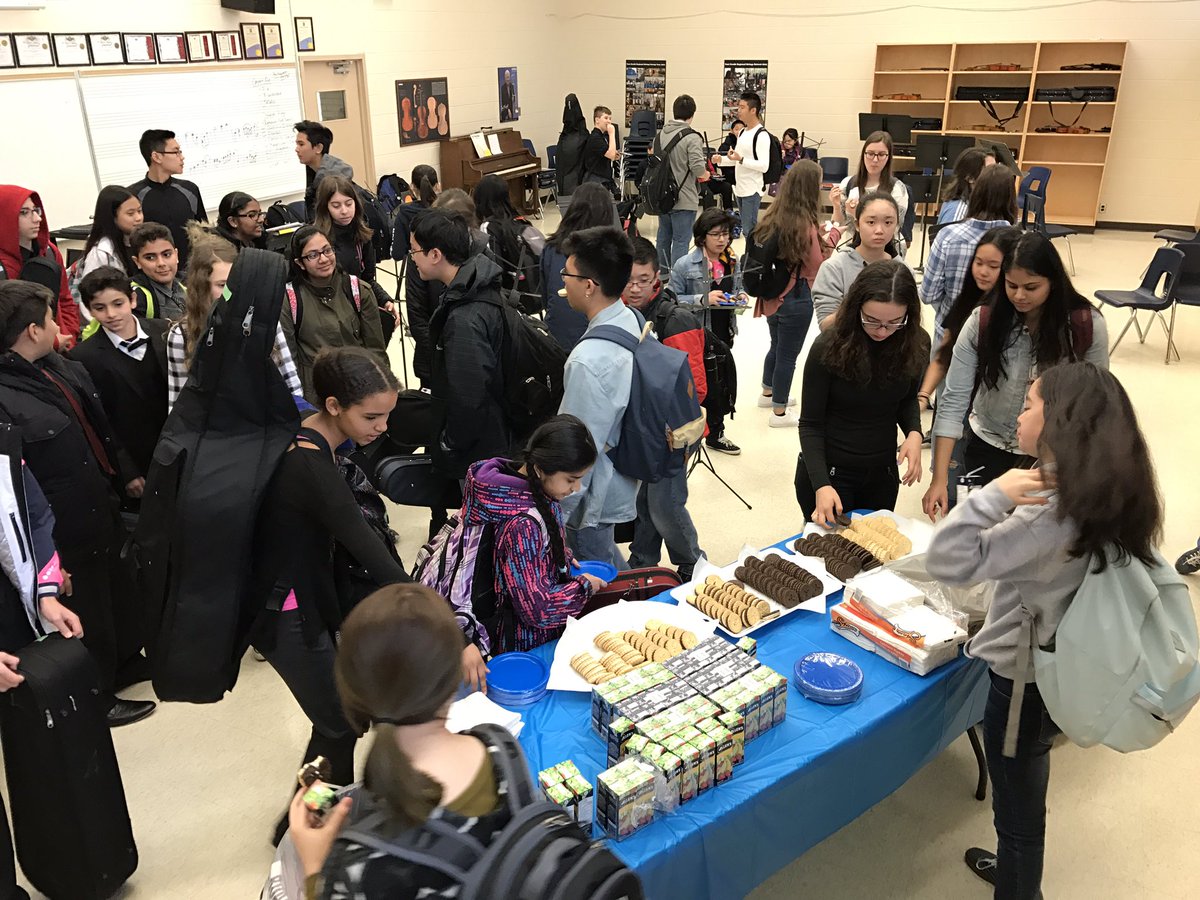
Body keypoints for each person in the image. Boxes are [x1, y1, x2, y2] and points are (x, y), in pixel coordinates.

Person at [927, 361, 1164, 899]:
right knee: (1027, 778)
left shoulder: (1045, 514)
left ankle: (1018, 889)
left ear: (1059, 423)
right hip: (1069, 662)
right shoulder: (1112, 487)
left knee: (1017, 803)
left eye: (1029, 404)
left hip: (1024, 679)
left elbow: (948, 559)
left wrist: (993, 496)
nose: (1018, 413)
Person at [284, 584, 535, 898]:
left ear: (351, 698)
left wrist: (316, 870)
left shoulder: (353, 867)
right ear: (451, 681)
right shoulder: (501, 746)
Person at [250, 346, 406, 846]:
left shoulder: (308, 434)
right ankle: (301, 825)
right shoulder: (310, 464)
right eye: (372, 417)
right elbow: (362, 541)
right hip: (286, 612)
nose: (381, 428)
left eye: (387, 416)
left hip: (298, 599)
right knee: (340, 722)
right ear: (334, 405)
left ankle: (312, 816)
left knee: (339, 718)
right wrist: (424, 607)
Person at [0, 280, 155, 727]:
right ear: (32, 330)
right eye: (50, 319)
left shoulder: (54, 367)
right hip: (61, 519)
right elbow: (16, 487)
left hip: (96, 498)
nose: (59, 326)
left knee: (114, 591)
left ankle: (126, 660)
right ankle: (97, 692)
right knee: (84, 605)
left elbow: (97, 425)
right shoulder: (6, 394)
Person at [922, 232, 1109, 522]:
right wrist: (939, 479)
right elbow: (953, 401)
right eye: (1011, 286)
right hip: (986, 444)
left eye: (1031, 287)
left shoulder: (1086, 325)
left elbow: (1095, 404)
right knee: (979, 538)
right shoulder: (982, 321)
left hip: (1050, 456)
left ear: (1053, 282)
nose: (1019, 296)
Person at [0, 448, 83, 900]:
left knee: (33, 751)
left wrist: (45, 593)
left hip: (13, 626)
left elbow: (33, 516)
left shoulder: (4, 449)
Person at [796, 260, 927, 525]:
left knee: (873, 557)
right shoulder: (828, 346)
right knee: (830, 556)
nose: (882, 331)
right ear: (856, 308)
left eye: (894, 322)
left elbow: (906, 399)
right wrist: (821, 484)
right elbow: (810, 424)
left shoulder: (916, 342)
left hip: (882, 473)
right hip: (830, 472)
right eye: (872, 320)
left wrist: (914, 432)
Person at [466, 415, 606, 654]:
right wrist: (584, 587)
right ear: (541, 468)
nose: (576, 489)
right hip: (526, 641)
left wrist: (557, 553)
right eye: (571, 479)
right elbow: (537, 610)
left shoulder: (522, 488)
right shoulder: (523, 524)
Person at [623, 239, 706, 580]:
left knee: (665, 504)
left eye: (643, 279)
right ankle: (641, 562)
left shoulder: (675, 319)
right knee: (645, 503)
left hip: (674, 431)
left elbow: (696, 388)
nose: (635, 288)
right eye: (628, 280)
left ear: (657, 276)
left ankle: (694, 565)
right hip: (643, 429)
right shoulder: (625, 315)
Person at [557, 225, 638, 569]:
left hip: (595, 492)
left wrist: (558, 512)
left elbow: (579, 449)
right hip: (626, 468)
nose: (563, 282)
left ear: (589, 286)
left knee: (599, 579)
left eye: (567, 274)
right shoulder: (630, 317)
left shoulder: (588, 360)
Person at [408, 209, 509, 481]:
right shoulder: (477, 285)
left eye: (414, 251)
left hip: (482, 453)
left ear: (435, 254)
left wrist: (449, 444)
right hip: (495, 436)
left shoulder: (465, 316)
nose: (412, 259)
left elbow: (469, 397)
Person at [168, 223, 301, 410]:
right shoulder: (181, 335)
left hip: (267, 423)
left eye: (235, 282)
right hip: (217, 430)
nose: (231, 291)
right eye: (222, 285)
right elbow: (179, 406)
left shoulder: (265, 319)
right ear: (202, 288)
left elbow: (291, 383)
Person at [746, 160, 832, 428]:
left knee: (776, 345)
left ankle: (768, 391)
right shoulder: (804, 225)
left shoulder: (772, 216)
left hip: (772, 295)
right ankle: (779, 412)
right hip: (796, 296)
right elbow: (817, 264)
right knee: (788, 355)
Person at [71, 267, 168, 486]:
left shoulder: (165, 332)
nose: (111, 314)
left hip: (175, 448)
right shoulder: (82, 357)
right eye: (100, 307)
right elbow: (97, 418)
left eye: (118, 304)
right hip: (135, 460)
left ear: (132, 299)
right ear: (89, 310)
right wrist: (126, 470)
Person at [280, 225, 389, 406]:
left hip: (359, 390)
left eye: (327, 250)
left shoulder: (357, 290)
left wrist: (380, 393)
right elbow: (289, 361)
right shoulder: (289, 299)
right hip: (316, 397)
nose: (323, 259)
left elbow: (376, 351)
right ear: (300, 263)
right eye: (313, 255)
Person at [669, 207, 744, 455]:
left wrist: (740, 298)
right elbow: (671, 300)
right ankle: (692, 430)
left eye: (726, 234)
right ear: (702, 236)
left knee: (721, 382)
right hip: (698, 333)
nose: (722, 239)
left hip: (724, 330)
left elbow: (738, 289)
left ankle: (716, 432)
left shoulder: (732, 260)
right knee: (700, 384)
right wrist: (703, 299)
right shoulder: (684, 264)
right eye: (716, 234)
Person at [920, 165, 1019, 343]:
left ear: (975, 194)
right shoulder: (1021, 242)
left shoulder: (947, 236)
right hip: (1001, 339)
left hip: (950, 336)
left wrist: (950, 309)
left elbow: (928, 294)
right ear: (1011, 200)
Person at [313, 175, 400, 340]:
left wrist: (385, 300)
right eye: (336, 205)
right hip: (329, 316)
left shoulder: (362, 235)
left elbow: (367, 279)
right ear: (326, 208)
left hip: (357, 308)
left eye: (348, 203)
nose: (344, 211)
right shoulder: (317, 240)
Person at [0, 185, 80, 347]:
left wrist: (69, 335)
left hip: (61, 345)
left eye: (36, 210)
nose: (37, 218)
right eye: (24, 213)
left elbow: (65, 300)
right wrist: (52, 342)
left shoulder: (49, 251)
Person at [541, 182, 619, 350]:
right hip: (596, 339)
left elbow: (546, 298)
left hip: (556, 339)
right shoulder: (611, 252)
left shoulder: (550, 248)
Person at [813, 191, 904, 330]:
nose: (879, 230)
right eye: (871, 222)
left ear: (896, 225)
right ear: (857, 224)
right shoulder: (834, 268)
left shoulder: (903, 270)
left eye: (888, 222)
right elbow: (826, 326)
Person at [127, 129, 207, 271]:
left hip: (191, 273)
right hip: (154, 274)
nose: (182, 157)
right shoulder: (133, 195)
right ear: (156, 157)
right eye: (176, 152)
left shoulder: (190, 189)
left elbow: (204, 233)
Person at [473, 173, 547, 307]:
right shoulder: (522, 221)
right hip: (540, 295)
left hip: (515, 301)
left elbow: (492, 271)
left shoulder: (489, 227)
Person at [655, 94, 710, 272]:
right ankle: (677, 279)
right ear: (692, 114)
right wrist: (706, 174)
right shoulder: (692, 137)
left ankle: (662, 274)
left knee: (663, 235)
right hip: (683, 197)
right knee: (681, 239)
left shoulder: (661, 134)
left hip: (662, 195)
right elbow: (697, 167)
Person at [74, 186, 144, 322]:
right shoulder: (101, 252)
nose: (138, 218)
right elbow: (90, 296)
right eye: (130, 214)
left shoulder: (137, 241)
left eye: (140, 211)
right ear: (112, 217)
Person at [829, 131, 909, 250]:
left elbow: (894, 227)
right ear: (863, 155)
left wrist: (857, 215)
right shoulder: (848, 184)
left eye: (881, 154)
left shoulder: (897, 188)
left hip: (885, 251)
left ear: (888, 157)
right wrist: (836, 206)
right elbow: (837, 225)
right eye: (870, 154)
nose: (875, 160)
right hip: (853, 250)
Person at [710, 92, 770, 237]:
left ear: (753, 110)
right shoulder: (742, 132)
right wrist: (721, 160)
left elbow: (764, 166)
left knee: (750, 230)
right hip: (740, 187)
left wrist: (741, 159)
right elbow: (735, 158)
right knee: (746, 229)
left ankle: (751, 259)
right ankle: (748, 258)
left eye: (742, 107)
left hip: (752, 188)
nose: (738, 110)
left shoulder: (761, 135)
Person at [295, 120, 354, 222]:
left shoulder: (332, 180)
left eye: (301, 144)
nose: (296, 149)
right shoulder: (313, 170)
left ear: (318, 148)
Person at [126, 222, 187, 323]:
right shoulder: (136, 297)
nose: (161, 263)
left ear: (176, 255)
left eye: (167, 254)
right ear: (137, 262)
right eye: (150, 258)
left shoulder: (189, 283)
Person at [937, 147, 996, 225]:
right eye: (989, 170)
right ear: (970, 178)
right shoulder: (957, 211)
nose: (996, 174)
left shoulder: (979, 203)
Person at [582, 105, 620, 196]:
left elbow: (609, 154)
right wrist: (612, 133)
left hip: (602, 179)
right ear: (597, 120)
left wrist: (614, 154)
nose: (609, 121)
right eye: (606, 118)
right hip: (595, 181)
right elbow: (610, 155)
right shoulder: (595, 138)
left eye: (610, 118)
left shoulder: (601, 137)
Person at [768, 128, 803, 197]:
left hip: (795, 178)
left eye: (789, 141)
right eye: (785, 141)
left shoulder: (801, 151)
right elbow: (774, 166)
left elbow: (805, 164)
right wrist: (780, 158)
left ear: (795, 140)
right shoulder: (779, 149)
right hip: (781, 177)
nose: (786, 143)